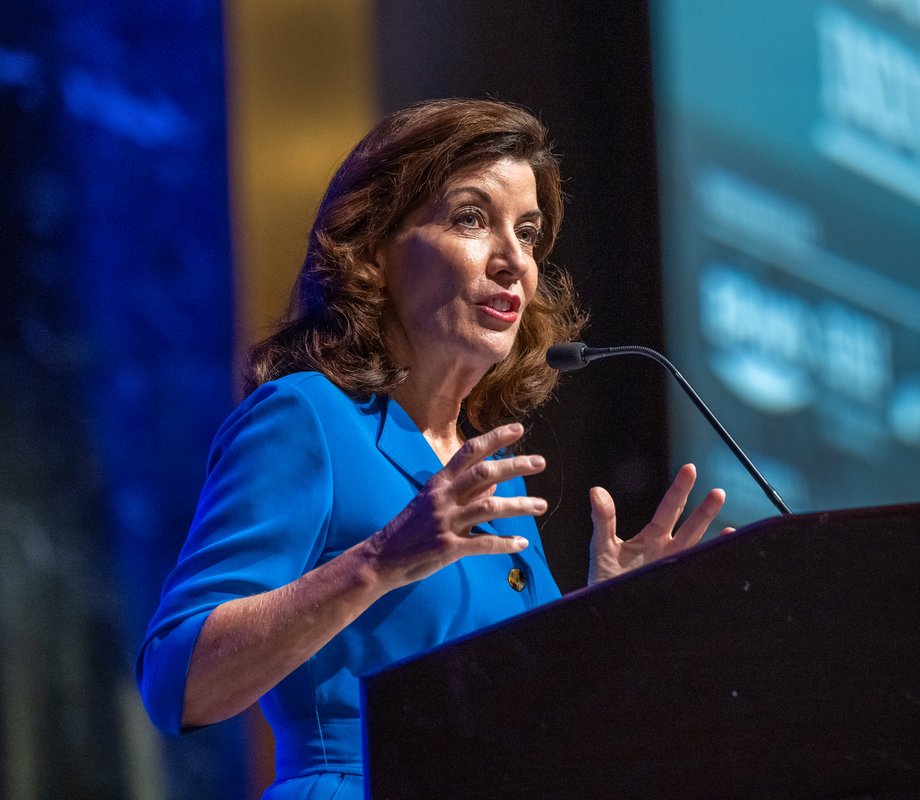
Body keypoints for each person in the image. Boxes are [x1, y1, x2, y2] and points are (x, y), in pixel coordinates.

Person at [137, 98, 727, 799]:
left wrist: (602, 618)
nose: (513, 260)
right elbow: (177, 681)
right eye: (472, 219)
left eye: (529, 233)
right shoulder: (309, 419)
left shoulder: (493, 482)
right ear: (374, 248)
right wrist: (381, 560)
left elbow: (525, 726)